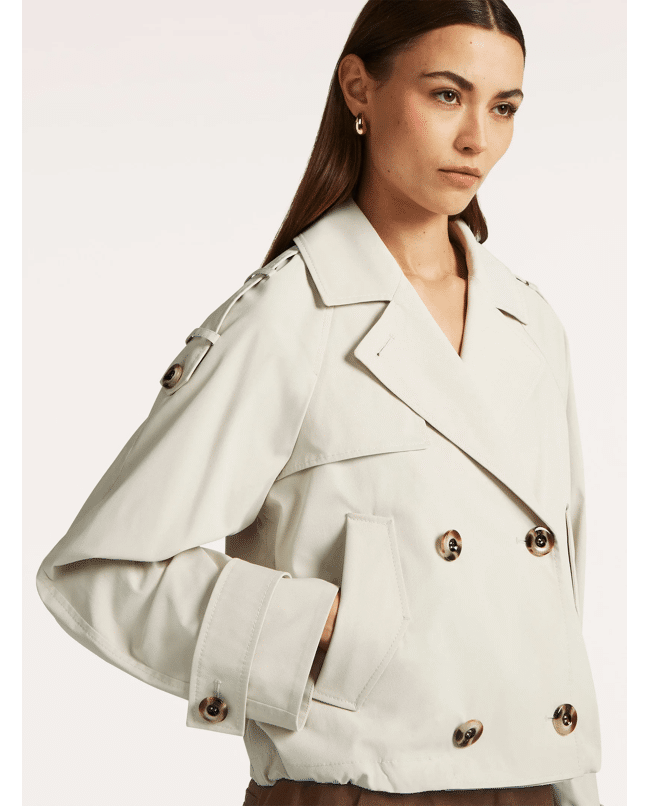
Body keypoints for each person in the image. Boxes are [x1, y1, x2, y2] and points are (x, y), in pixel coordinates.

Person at [35, 1, 604, 805]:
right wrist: (317, 630)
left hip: (531, 786)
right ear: (358, 88)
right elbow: (98, 568)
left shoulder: (530, 323)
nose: (478, 137)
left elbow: (554, 602)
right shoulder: (288, 316)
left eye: (504, 107)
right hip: (352, 790)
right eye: (447, 95)